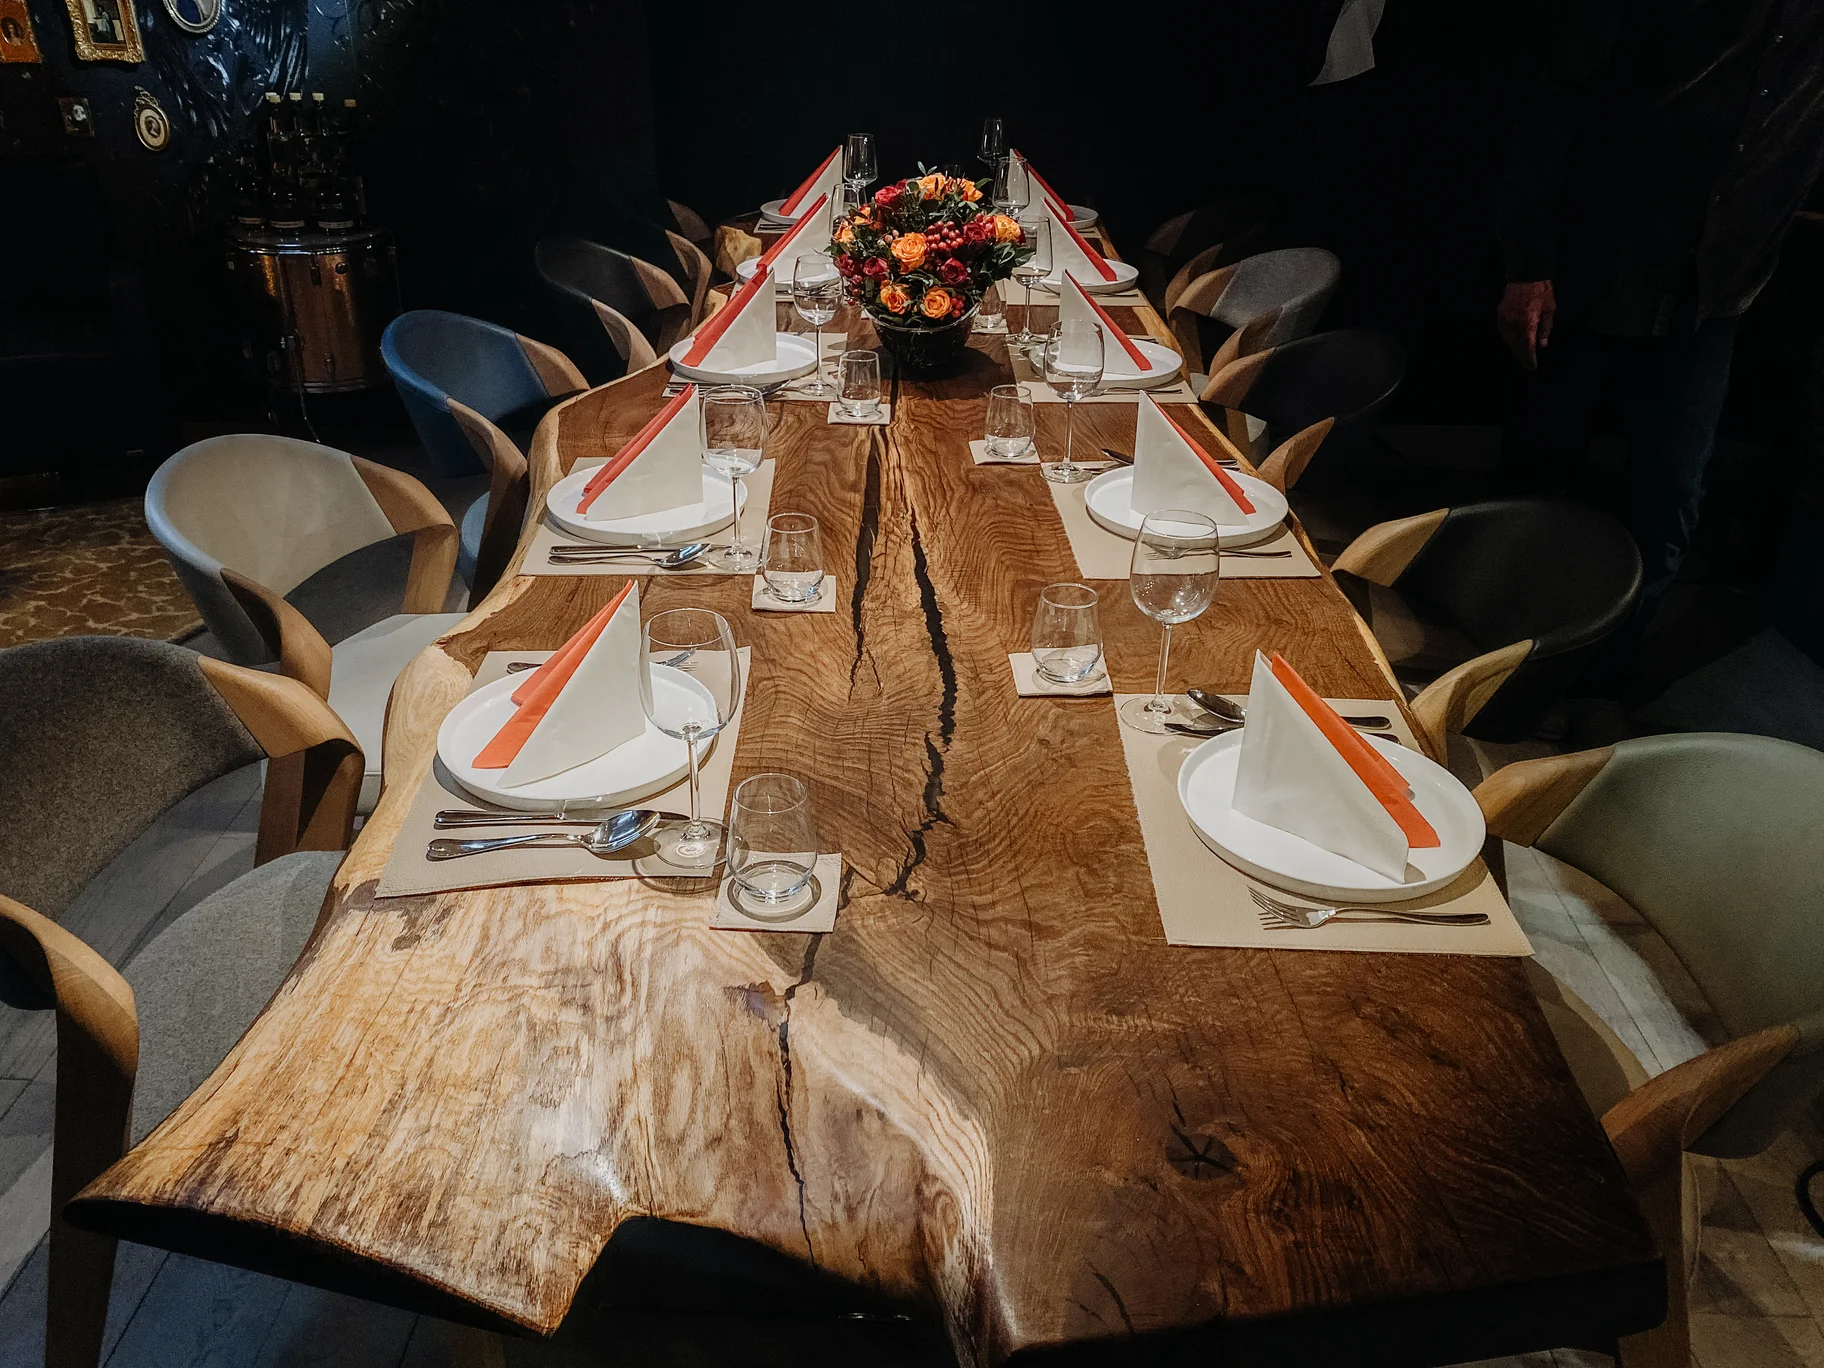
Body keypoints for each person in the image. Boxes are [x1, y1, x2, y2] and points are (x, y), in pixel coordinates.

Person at [1496, 2, 1824, 626]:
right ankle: (1499, 652)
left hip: (1716, 285)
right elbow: (1555, 99)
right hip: (1598, 254)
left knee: (1669, 495)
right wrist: (1527, 259)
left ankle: (1604, 676)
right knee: (1540, 473)